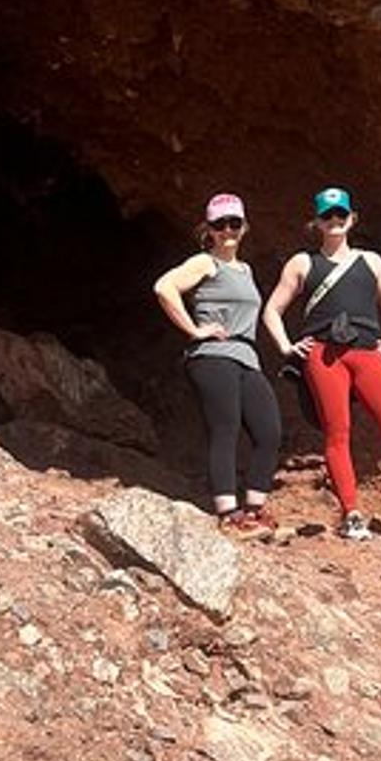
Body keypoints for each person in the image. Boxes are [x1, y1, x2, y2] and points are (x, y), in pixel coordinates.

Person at [262, 187, 381, 540]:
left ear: (352, 219)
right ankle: (351, 515)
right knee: (337, 432)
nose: (334, 221)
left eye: (340, 215)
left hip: (366, 351)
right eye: (327, 216)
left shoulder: (371, 261)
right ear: (316, 222)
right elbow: (272, 309)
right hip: (324, 353)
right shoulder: (303, 263)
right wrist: (287, 346)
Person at [152, 192, 282, 533]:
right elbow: (164, 287)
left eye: (234, 223)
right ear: (208, 229)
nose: (227, 230)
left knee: (269, 431)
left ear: (244, 227)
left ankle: (254, 508)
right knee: (225, 429)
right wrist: (194, 331)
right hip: (213, 357)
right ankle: (228, 513)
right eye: (219, 224)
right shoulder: (205, 262)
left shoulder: (246, 269)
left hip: (246, 358)